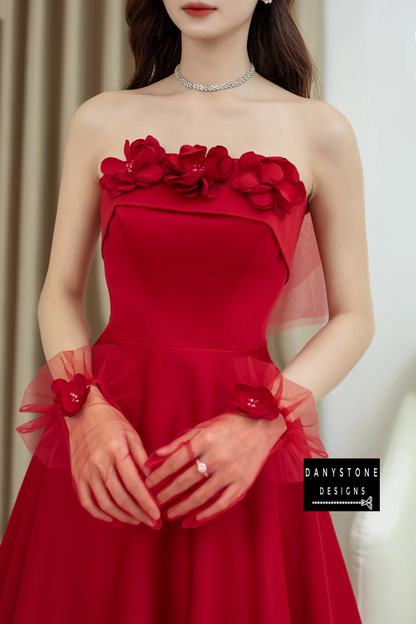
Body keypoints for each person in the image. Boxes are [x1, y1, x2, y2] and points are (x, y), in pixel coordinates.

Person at [0, 0, 374, 622]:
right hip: (108, 438)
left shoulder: (321, 130)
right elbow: (60, 291)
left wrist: (262, 425)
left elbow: (356, 317)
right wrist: (82, 411)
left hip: (242, 443)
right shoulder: (101, 118)